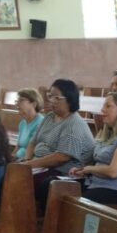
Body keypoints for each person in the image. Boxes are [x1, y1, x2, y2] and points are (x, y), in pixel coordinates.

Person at [21, 79, 95, 208]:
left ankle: (35, 220)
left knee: (25, 182)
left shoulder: (74, 123)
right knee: (13, 174)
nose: (51, 100)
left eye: (56, 97)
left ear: (69, 99)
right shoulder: (49, 117)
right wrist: (27, 159)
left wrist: (28, 165)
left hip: (66, 172)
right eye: (50, 96)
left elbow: (61, 157)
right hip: (41, 165)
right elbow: (33, 142)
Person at [68, 92, 117, 205]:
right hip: (96, 184)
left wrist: (89, 169)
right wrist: (82, 170)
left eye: (108, 106)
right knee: (56, 187)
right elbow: (98, 163)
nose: (102, 110)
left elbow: (114, 171)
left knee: (81, 203)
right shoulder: (107, 133)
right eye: (104, 106)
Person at [12, 88, 44, 161]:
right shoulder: (22, 123)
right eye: (17, 100)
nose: (17, 103)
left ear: (34, 104)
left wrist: (15, 163)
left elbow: (33, 152)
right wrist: (10, 158)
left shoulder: (41, 122)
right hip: (18, 160)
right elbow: (18, 147)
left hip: (28, 163)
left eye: (21, 100)